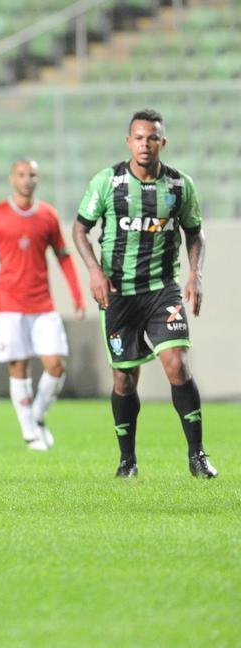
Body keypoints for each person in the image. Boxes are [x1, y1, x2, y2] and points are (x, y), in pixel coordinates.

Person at [71, 109, 215, 479]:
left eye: (152, 138)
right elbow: (79, 229)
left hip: (161, 289)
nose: (144, 144)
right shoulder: (107, 182)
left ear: (162, 142)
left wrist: (195, 275)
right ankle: (127, 460)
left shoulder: (180, 186)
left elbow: (195, 233)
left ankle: (197, 456)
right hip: (118, 292)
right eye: (138, 137)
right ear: (128, 141)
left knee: (177, 365)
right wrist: (94, 271)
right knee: (124, 379)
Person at [0, 158, 86, 450]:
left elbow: (63, 256)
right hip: (8, 305)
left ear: (38, 179)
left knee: (56, 364)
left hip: (42, 304)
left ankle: (37, 416)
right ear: (12, 178)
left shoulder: (47, 215)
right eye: (21, 174)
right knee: (18, 366)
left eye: (32, 174)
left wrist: (77, 295)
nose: (27, 179)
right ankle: (29, 432)